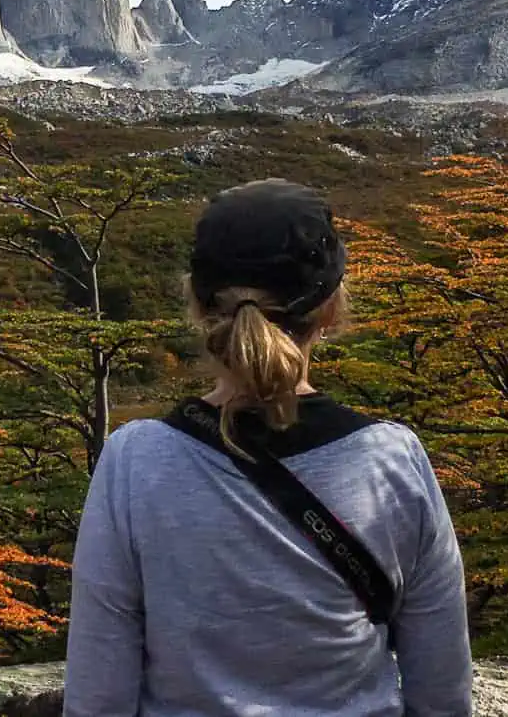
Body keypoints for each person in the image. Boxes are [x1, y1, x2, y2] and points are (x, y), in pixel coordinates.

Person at [63, 179, 472, 717]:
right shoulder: (394, 460)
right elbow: (441, 690)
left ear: (197, 303)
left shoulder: (134, 461)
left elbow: (99, 695)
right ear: (329, 310)